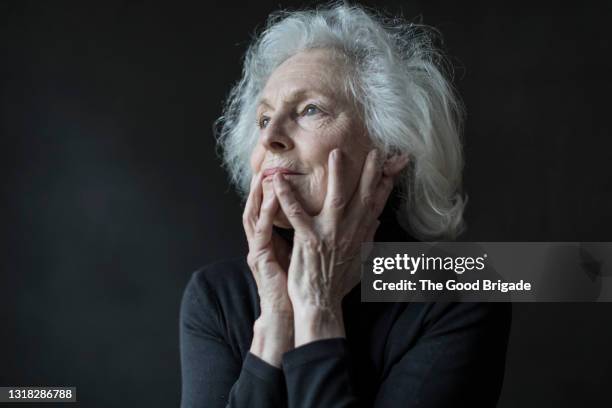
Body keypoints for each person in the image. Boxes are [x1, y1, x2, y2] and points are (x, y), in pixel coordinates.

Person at [180, 2, 511, 407]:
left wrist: (317, 308)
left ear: (390, 148)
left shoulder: (466, 289)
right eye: (264, 119)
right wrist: (273, 330)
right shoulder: (216, 295)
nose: (269, 139)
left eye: (310, 110)